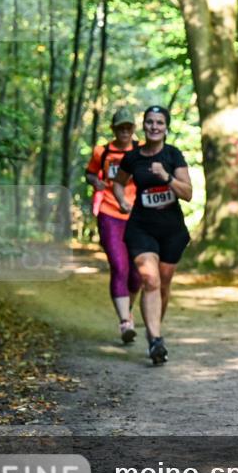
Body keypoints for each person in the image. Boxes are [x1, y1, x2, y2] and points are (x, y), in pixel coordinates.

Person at [112, 105, 193, 365]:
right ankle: (155, 340)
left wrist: (166, 177)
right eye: (150, 122)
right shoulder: (133, 157)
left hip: (172, 231)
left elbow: (188, 193)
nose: (154, 126)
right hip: (141, 228)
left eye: (159, 122)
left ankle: (154, 329)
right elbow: (118, 182)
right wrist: (121, 200)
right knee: (150, 279)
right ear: (143, 125)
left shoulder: (173, 155)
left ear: (166, 127)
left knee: (164, 284)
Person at [85, 108, 143, 343]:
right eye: (121, 128)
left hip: (139, 216)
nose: (125, 132)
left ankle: (127, 309)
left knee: (137, 273)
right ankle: (125, 322)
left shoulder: (142, 150)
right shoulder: (102, 152)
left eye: (128, 127)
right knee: (120, 266)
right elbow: (89, 173)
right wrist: (95, 182)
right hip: (110, 213)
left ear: (134, 129)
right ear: (113, 129)